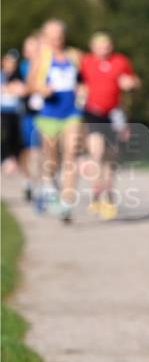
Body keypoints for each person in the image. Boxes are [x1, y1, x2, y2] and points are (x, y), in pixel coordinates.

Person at [80, 32, 141, 220]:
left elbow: (135, 82)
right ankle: (98, 191)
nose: (104, 48)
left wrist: (130, 84)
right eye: (99, 45)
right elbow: (76, 82)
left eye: (107, 45)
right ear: (92, 47)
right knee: (97, 153)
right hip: (93, 112)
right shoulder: (85, 62)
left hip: (114, 113)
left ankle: (106, 194)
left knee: (111, 158)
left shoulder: (120, 61)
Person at [28, 19, 83, 223]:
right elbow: (30, 84)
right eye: (52, 37)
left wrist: (83, 88)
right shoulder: (41, 57)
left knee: (71, 155)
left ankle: (67, 203)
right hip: (49, 115)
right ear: (46, 37)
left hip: (71, 113)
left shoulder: (75, 55)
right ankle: (49, 184)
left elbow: (83, 79)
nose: (56, 40)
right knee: (51, 160)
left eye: (59, 36)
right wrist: (41, 89)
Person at [18, 33, 43, 201]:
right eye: (28, 47)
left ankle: (44, 182)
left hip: (44, 114)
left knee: (41, 149)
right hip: (27, 114)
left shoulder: (47, 64)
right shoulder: (21, 67)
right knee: (27, 150)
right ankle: (28, 180)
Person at [1, 49, 25, 173]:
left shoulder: (19, 74)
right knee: (5, 135)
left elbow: (20, 89)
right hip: (2, 111)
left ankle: (13, 158)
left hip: (15, 111)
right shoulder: (2, 75)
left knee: (14, 135)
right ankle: (5, 158)